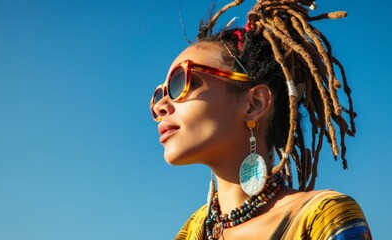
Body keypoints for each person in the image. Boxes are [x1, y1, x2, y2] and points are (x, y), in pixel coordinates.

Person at [150, 0, 372, 239]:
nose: (161, 106)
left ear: (254, 104)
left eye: (181, 82)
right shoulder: (190, 232)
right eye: (159, 94)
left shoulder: (321, 218)